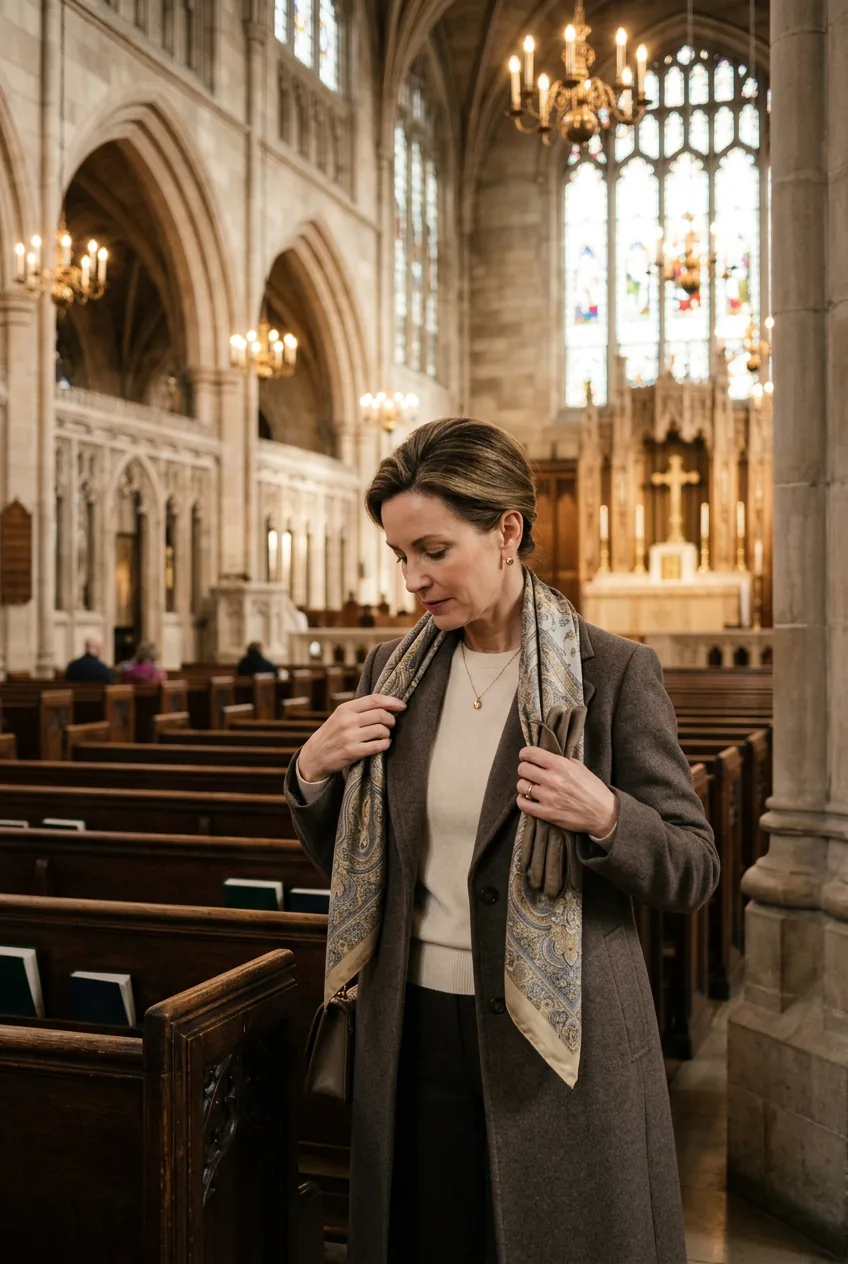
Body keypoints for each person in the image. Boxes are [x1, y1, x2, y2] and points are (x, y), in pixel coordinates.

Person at [284, 417, 718, 1264]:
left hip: (559, 1048)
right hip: (407, 1029)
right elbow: (356, 857)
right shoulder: (391, 671)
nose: (413, 579)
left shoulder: (612, 672)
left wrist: (606, 816)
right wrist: (310, 771)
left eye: (434, 551)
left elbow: (692, 866)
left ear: (507, 530)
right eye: (400, 555)